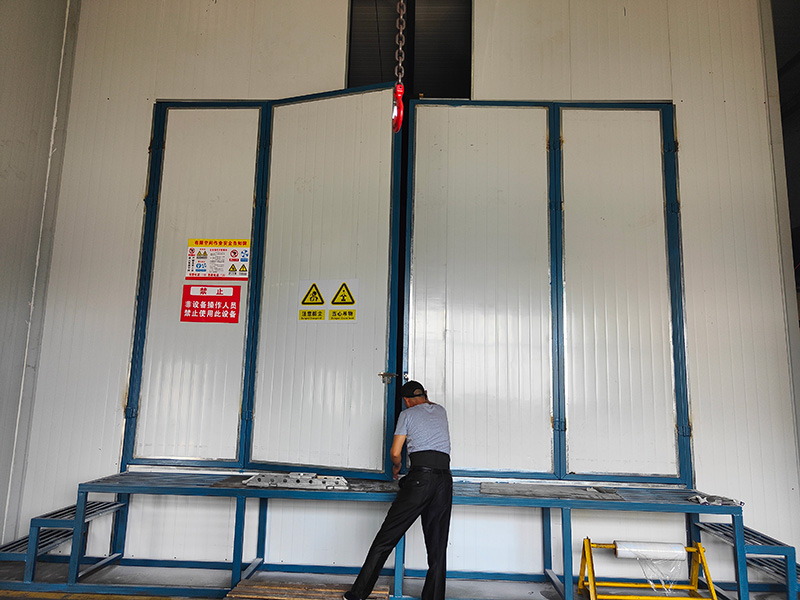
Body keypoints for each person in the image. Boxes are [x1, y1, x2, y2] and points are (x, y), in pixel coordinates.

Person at [344, 380, 452, 600]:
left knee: (385, 539)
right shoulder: (441, 410)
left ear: (406, 401)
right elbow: (429, 406)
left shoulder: (407, 414)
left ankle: (358, 595)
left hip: (421, 480)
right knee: (437, 548)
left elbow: (395, 452)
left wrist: (397, 466)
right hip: (444, 481)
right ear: (425, 394)